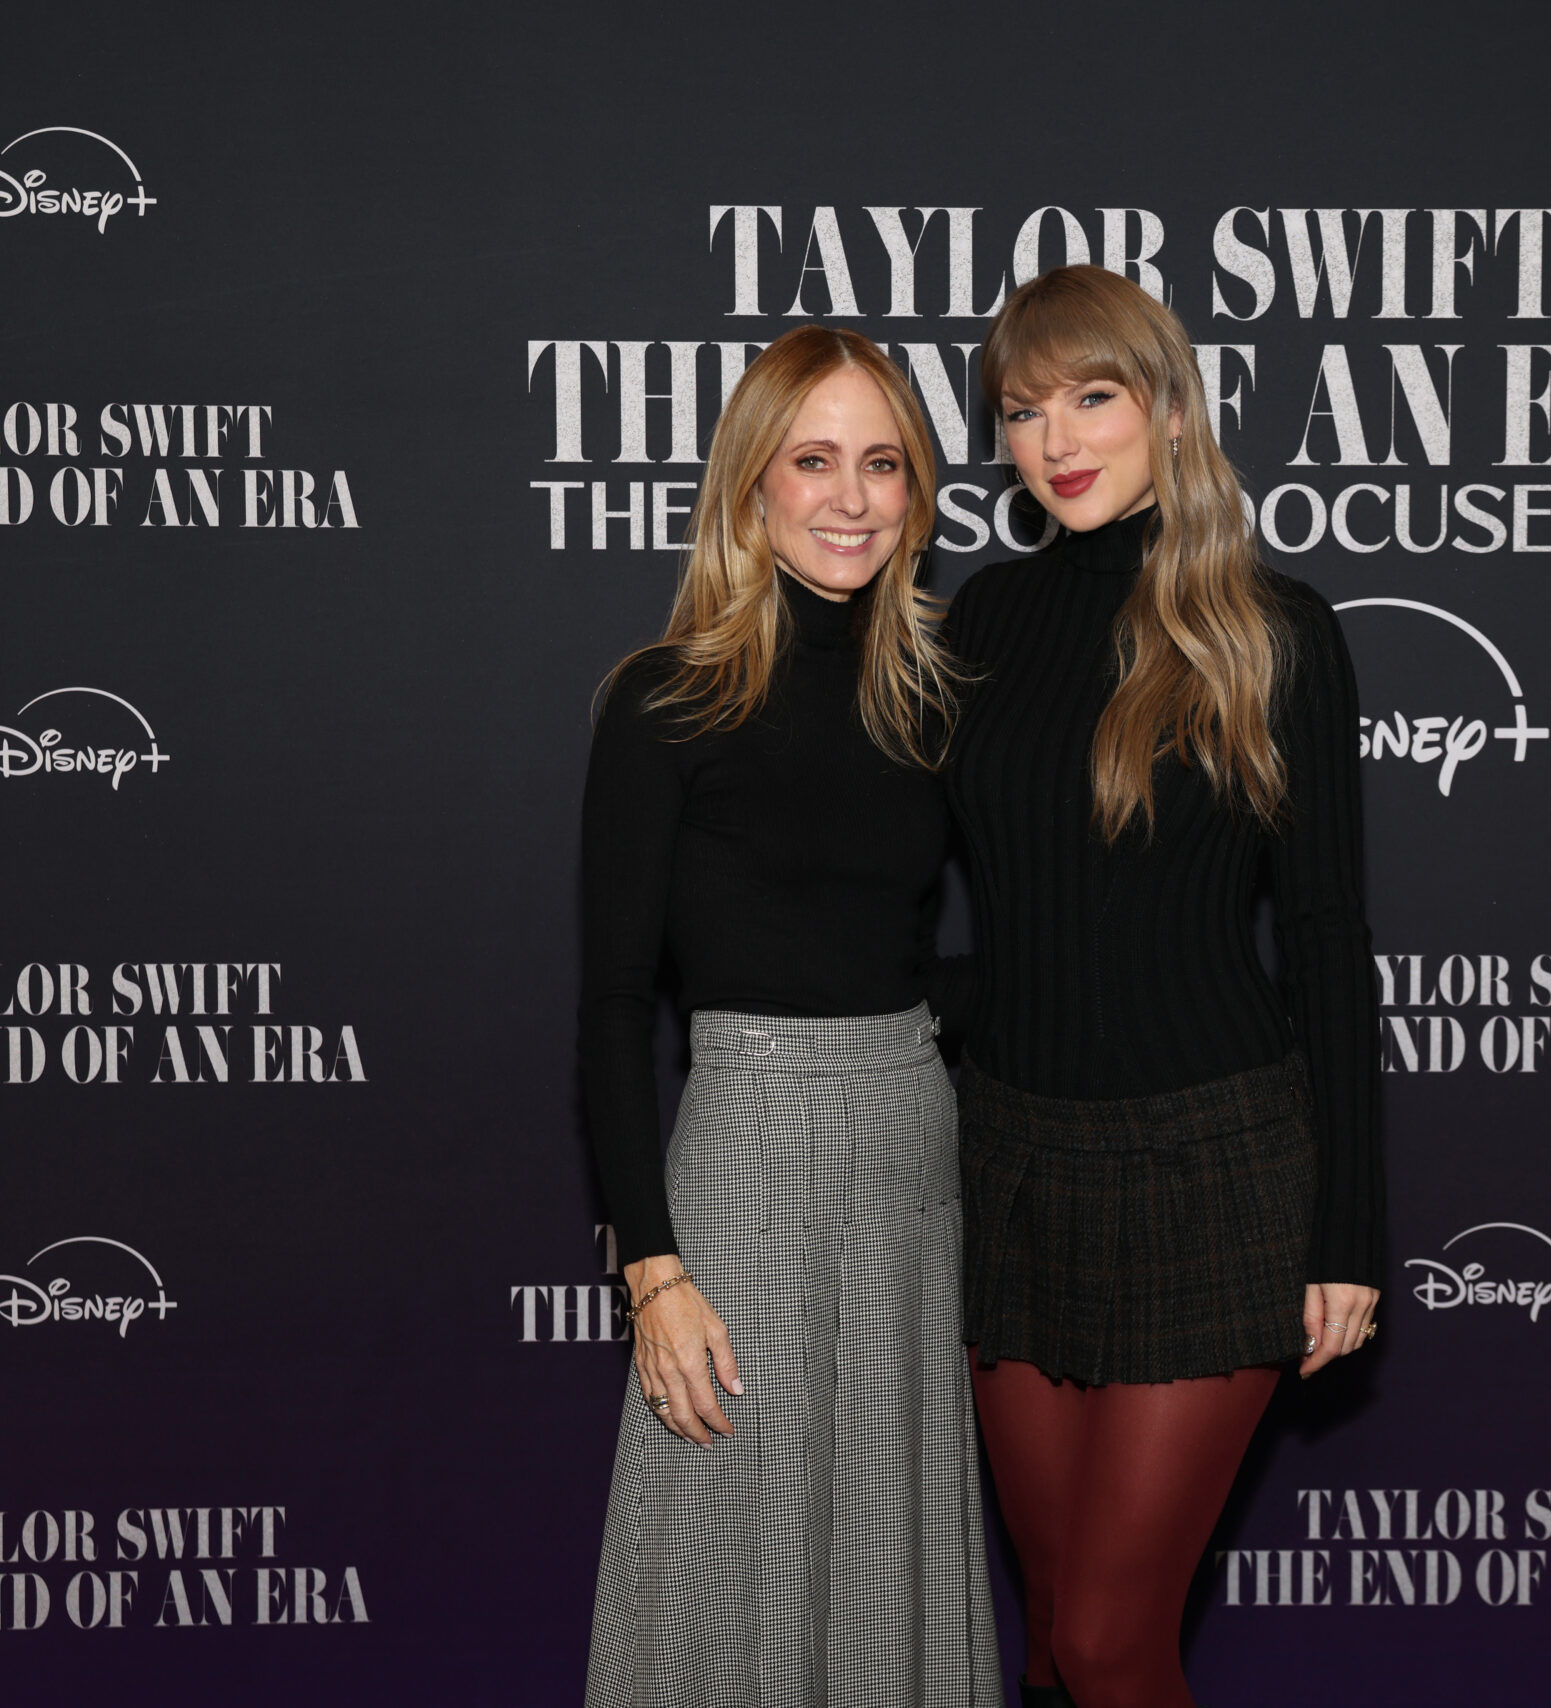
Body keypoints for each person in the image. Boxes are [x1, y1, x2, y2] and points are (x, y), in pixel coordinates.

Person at [945, 265, 1386, 1708]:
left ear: (1171, 410)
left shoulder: (1272, 628)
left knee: (1107, 1641)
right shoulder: (979, 624)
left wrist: (1348, 1234)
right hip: (1011, 1163)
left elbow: (1326, 936)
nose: (1058, 440)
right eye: (1023, 411)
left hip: (1213, 1167)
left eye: (1094, 397)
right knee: (1050, 1636)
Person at [578, 324, 1001, 1708]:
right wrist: (655, 1272)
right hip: (747, 1153)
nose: (851, 497)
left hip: (910, 1153)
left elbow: (919, 961)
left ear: (917, 492)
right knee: (718, 1555)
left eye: (883, 463)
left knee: (887, 1543)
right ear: (751, 482)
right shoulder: (665, 701)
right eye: (814, 460)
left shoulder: (934, 699)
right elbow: (612, 1005)